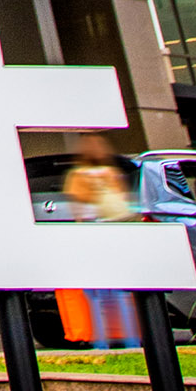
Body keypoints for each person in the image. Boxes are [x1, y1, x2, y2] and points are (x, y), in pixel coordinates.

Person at [62, 138, 141, 350]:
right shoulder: (111, 173)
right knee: (120, 292)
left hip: (92, 235)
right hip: (114, 233)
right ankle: (131, 340)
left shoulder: (77, 175)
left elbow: (78, 208)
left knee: (95, 295)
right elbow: (123, 204)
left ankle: (101, 342)